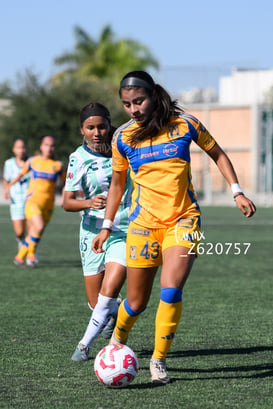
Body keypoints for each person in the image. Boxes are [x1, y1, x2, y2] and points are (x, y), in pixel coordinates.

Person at [92, 71, 256, 385]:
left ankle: (158, 361)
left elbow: (217, 153)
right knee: (136, 301)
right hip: (143, 225)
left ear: (153, 96)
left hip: (184, 220)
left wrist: (237, 190)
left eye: (138, 101)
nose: (133, 109)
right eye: (127, 105)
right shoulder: (122, 137)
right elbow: (117, 184)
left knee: (171, 290)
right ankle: (117, 339)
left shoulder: (185, 124)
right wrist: (106, 226)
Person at [62, 102, 132, 361]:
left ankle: (84, 346)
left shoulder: (123, 148)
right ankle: (112, 313)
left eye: (101, 126)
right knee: (96, 304)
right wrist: (89, 202)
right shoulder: (78, 158)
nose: (97, 132)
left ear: (108, 125)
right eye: (90, 127)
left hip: (123, 228)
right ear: (82, 129)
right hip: (91, 232)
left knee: (109, 289)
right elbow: (66, 202)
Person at [7, 136, 66, 267]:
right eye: (46, 145)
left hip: (49, 205)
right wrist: (8, 187)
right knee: (38, 227)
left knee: (36, 231)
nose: (49, 148)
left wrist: (64, 198)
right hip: (32, 201)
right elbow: (20, 175)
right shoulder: (33, 162)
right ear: (41, 146)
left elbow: (66, 183)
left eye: (52, 146)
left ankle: (20, 257)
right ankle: (30, 254)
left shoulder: (58, 165)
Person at [3, 138, 30, 250]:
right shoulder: (9, 163)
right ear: (14, 150)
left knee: (32, 230)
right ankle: (21, 241)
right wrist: (6, 190)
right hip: (16, 200)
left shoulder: (32, 162)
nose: (21, 150)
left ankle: (31, 254)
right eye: (19, 147)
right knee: (19, 232)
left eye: (23, 147)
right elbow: (6, 180)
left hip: (31, 200)